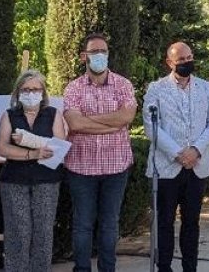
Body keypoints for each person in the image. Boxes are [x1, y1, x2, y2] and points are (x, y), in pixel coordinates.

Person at [142, 42, 209, 272]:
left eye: (190, 57)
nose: (187, 62)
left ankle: (190, 268)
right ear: (170, 63)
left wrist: (195, 150)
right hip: (167, 167)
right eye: (182, 60)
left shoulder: (206, 88)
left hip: (197, 166)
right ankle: (164, 267)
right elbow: (150, 126)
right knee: (164, 222)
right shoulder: (156, 89)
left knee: (191, 223)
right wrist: (178, 153)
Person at [64, 33, 138, 272]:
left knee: (109, 225)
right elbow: (74, 124)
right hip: (81, 168)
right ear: (83, 56)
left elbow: (126, 117)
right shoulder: (73, 88)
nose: (100, 56)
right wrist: (112, 125)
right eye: (95, 52)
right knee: (82, 225)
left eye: (104, 51)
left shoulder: (123, 85)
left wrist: (88, 121)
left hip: (116, 168)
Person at [0, 70, 67, 272]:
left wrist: (30, 142)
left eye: (35, 89)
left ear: (43, 92)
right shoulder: (9, 115)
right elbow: (1, 148)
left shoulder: (53, 114)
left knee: (43, 233)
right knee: (18, 232)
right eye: (26, 89)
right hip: (14, 181)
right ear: (18, 92)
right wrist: (32, 153)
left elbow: (59, 147)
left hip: (47, 181)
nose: (31, 93)